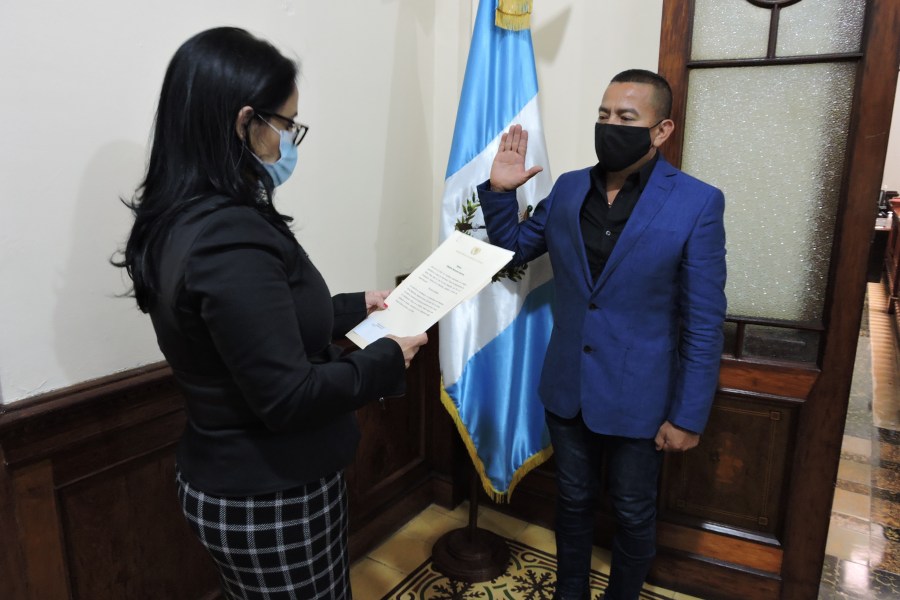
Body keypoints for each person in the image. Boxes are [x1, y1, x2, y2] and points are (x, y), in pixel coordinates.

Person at [114, 27, 427, 600]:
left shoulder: (181, 216)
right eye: (288, 125)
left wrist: (353, 307)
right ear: (245, 122)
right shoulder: (227, 236)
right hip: (272, 497)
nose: (290, 141)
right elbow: (288, 397)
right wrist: (386, 358)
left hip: (247, 481)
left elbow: (253, 328)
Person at [478, 69, 726, 600]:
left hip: (643, 397)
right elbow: (512, 251)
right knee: (572, 501)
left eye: (626, 118)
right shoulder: (569, 188)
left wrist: (688, 415)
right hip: (568, 386)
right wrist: (500, 192)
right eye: (603, 114)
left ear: (661, 130)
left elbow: (704, 320)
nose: (610, 125)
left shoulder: (698, 202)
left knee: (633, 512)